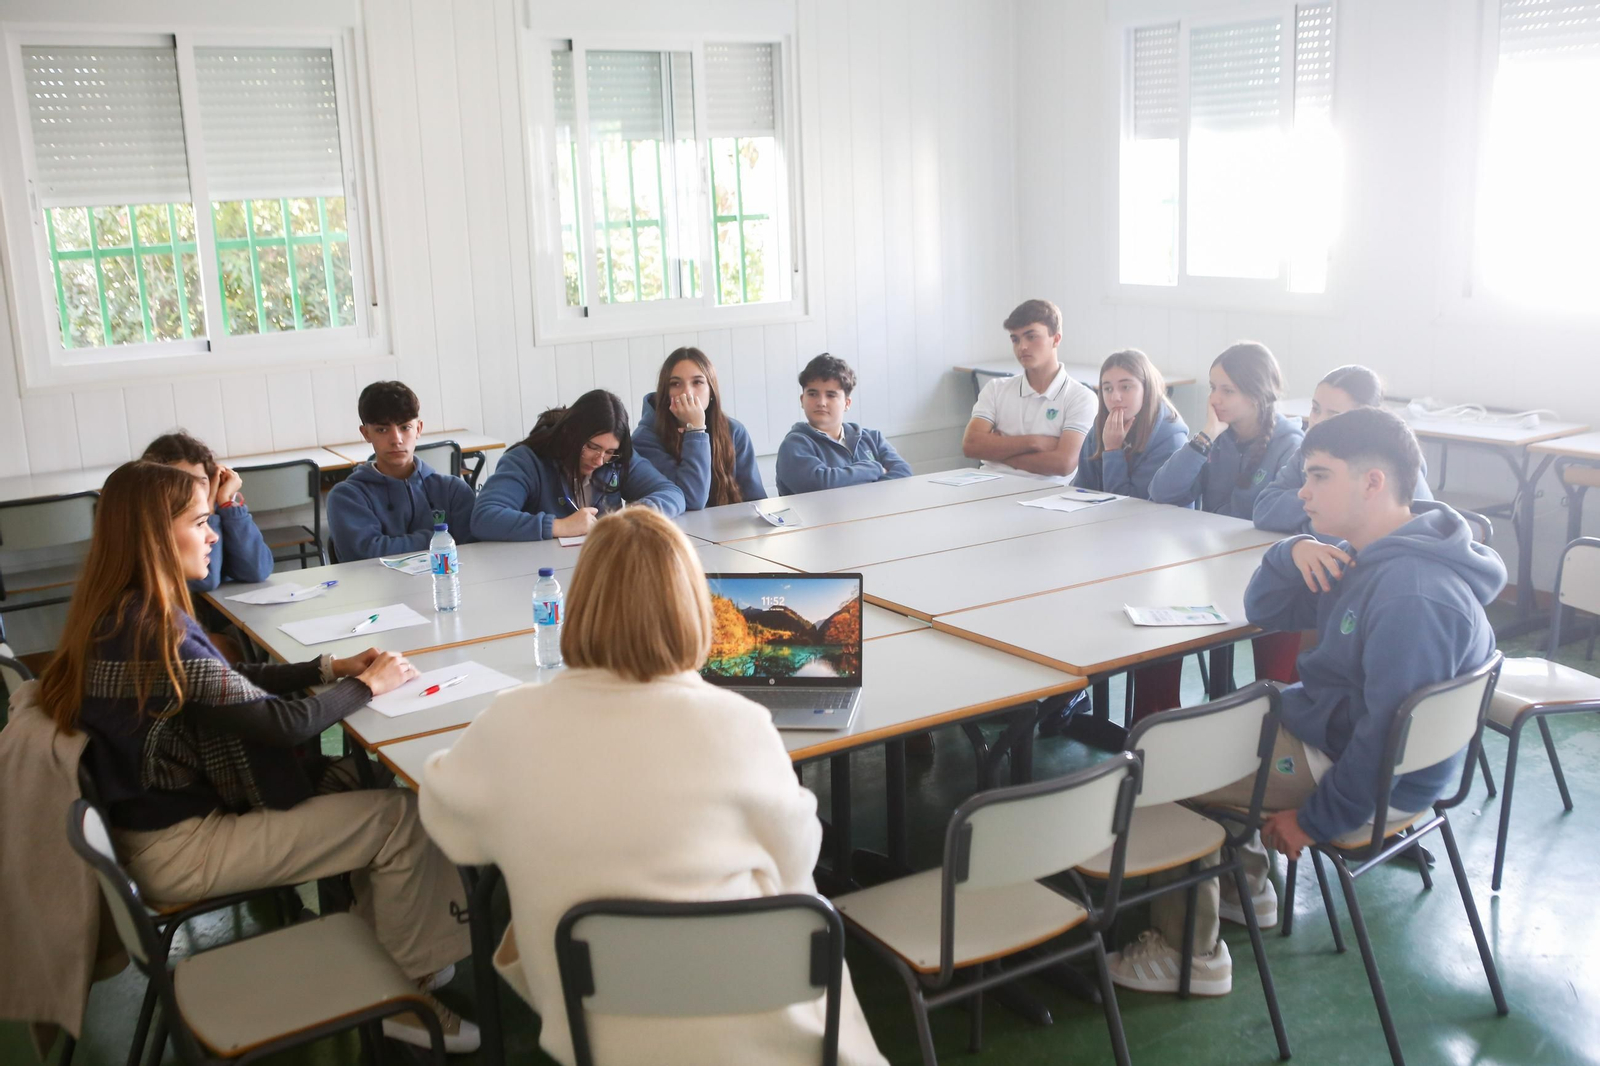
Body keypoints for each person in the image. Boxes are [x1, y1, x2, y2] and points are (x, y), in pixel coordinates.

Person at [418, 508, 889, 1066]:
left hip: (595, 1029)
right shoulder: (739, 724)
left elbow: (451, 827)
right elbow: (797, 860)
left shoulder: (510, 722)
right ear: (693, 610)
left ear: (579, 605)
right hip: (751, 1023)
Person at [37, 461, 477, 1051]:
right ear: (155, 536)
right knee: (402, 818)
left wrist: (329, 667)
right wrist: (365, 687)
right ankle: (398, 994)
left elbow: (226, 679)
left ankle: (396, 948)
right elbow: (278, 724)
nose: (214, 534)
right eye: (200, 522)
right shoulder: (154, 631)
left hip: (149, 827)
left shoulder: (121, 612)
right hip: (181, 849)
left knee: (362, 787)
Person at [1107, 408, 1506, 997]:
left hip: (1363, 775)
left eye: (1319, 476)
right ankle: (1247, 888)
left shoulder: (1411, 595)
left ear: (1372, 482)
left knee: (1161, 767)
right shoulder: (1367, 557)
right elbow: (1267, 613)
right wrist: (1289, 551)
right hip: (1334, 738)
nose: (1302, 490)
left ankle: (1188, 955)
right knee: (1205, 729)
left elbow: (1384, 738)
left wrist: (1317, 820)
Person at [1139, 341, 1306, 712]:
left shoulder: (1291, 445)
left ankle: (1268, 719)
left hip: (1264, 572)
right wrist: (1204, 438)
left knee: (1279, 652)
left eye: (1227, 390)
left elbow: (1274, 516)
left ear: (1258, 394)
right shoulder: (1217, 437)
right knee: (1155, 617)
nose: (1215, 398)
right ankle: (1153, 719)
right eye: (1213, 387)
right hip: (1208, 570)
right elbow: (1161, 492)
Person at [472, 389, 685, 540]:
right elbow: (484, 517)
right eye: (592, 447)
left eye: (609, 452)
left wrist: (635, 514)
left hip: (596, 567)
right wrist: (559, 526)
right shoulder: (527, 461)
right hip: (537, 575)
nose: (600, 460)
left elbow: (672, 493)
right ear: (570, 434)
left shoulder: (617, 460)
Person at [1254, 364, 1433, 534]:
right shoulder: (1309, 451)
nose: (1318, 421)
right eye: (1315, 409)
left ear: (1365, 417)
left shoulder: (1390, 462)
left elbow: (1347, 536)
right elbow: (1264, 509)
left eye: (1334, 415)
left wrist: (1305, 522)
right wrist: (1320, 505)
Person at [326, 380, 478, 561]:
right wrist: (439, 538)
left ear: (418, 428)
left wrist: (391, 544)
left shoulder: (454, 491)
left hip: (445, 586)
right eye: (382, 429)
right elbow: (366, 554)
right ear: (366, 433)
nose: (396, 439)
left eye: (405, 427)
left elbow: (472, 551)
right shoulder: (347, 496)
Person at [960, 299, 1097, 479]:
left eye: (1031, 336)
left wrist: (999, 453)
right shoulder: (995, 388)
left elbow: (1064, 464)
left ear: (1056, 339)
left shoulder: (1081, 397)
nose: (1022, 347)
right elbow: (971, 445)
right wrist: (1035, 442)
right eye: (1015, 339)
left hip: (1047, 496)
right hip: (988, 485)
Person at [634, 346, 767, 509]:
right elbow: (692, 499)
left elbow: (757, 501)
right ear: (665, 393)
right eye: (675, 384)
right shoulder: (645, 438)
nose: (687, 392)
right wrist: (696, 430)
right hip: (677, 533)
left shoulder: (734, 431)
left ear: (711, 391)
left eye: (697, 382)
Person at [140, 432, 273, 593]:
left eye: (201, 482)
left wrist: (227, 502)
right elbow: (204, 582)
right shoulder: (158, 520)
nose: (194, 490)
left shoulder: (224, 510)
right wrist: (208, 515)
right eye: (183, 483)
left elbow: (258, 570)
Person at [774, 354, 912, 495]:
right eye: (813, 394)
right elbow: (820, 485)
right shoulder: (793, 446)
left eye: (831, 395)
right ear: (802, 400)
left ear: (847, 403)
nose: (821, 402)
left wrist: (850, 485)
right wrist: (875, 469)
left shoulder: (873, 439)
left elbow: (903, 473)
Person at [1074, 350, 1190, 498]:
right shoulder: (1102, 427)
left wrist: (1112, 451)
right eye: (1108, 388)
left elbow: (1132, 506)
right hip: (1102, 518)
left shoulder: (1170, 440)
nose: (1115, 397)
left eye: (1126, 387)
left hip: (1150, 519)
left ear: (1147, 389)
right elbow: (1080, 490)